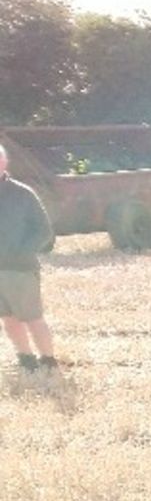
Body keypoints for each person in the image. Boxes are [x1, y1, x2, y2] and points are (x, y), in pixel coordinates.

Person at [0, 142, 59, 376]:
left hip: (20, 270)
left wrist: (20, 252)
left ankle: (49, 361)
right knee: (8, 318)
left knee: (33, 318)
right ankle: (26, 359)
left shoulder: (23, 194)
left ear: (3, 164)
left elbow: (44, 232)